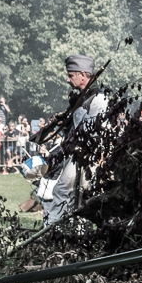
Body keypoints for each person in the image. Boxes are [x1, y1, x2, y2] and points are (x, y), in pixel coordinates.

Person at [44, 54, 107, 225]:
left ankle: (61, 229)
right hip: (77, 153)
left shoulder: (98, 99)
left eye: (71, 75)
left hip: (90, 154)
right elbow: (76, 128)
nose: (67, 79)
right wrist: (64, 123)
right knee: (67, 193)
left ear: (83, 75)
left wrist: (76, 114)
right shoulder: (82, 98)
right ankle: (57, 229)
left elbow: (92, 129)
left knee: (80, 194)